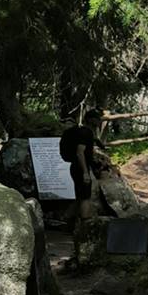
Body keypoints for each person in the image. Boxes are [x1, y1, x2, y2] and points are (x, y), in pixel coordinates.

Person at [59, 109, 108, 269]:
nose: (100, 121)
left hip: (77, 167)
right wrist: (86, 172)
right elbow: (80, 152)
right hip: (80, 168)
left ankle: (67, 220)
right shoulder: (85, 133)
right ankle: (86, 226)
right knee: (85, 197)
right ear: (92, 120)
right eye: (98, 119)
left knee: (80, 196)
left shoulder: (86, 132)